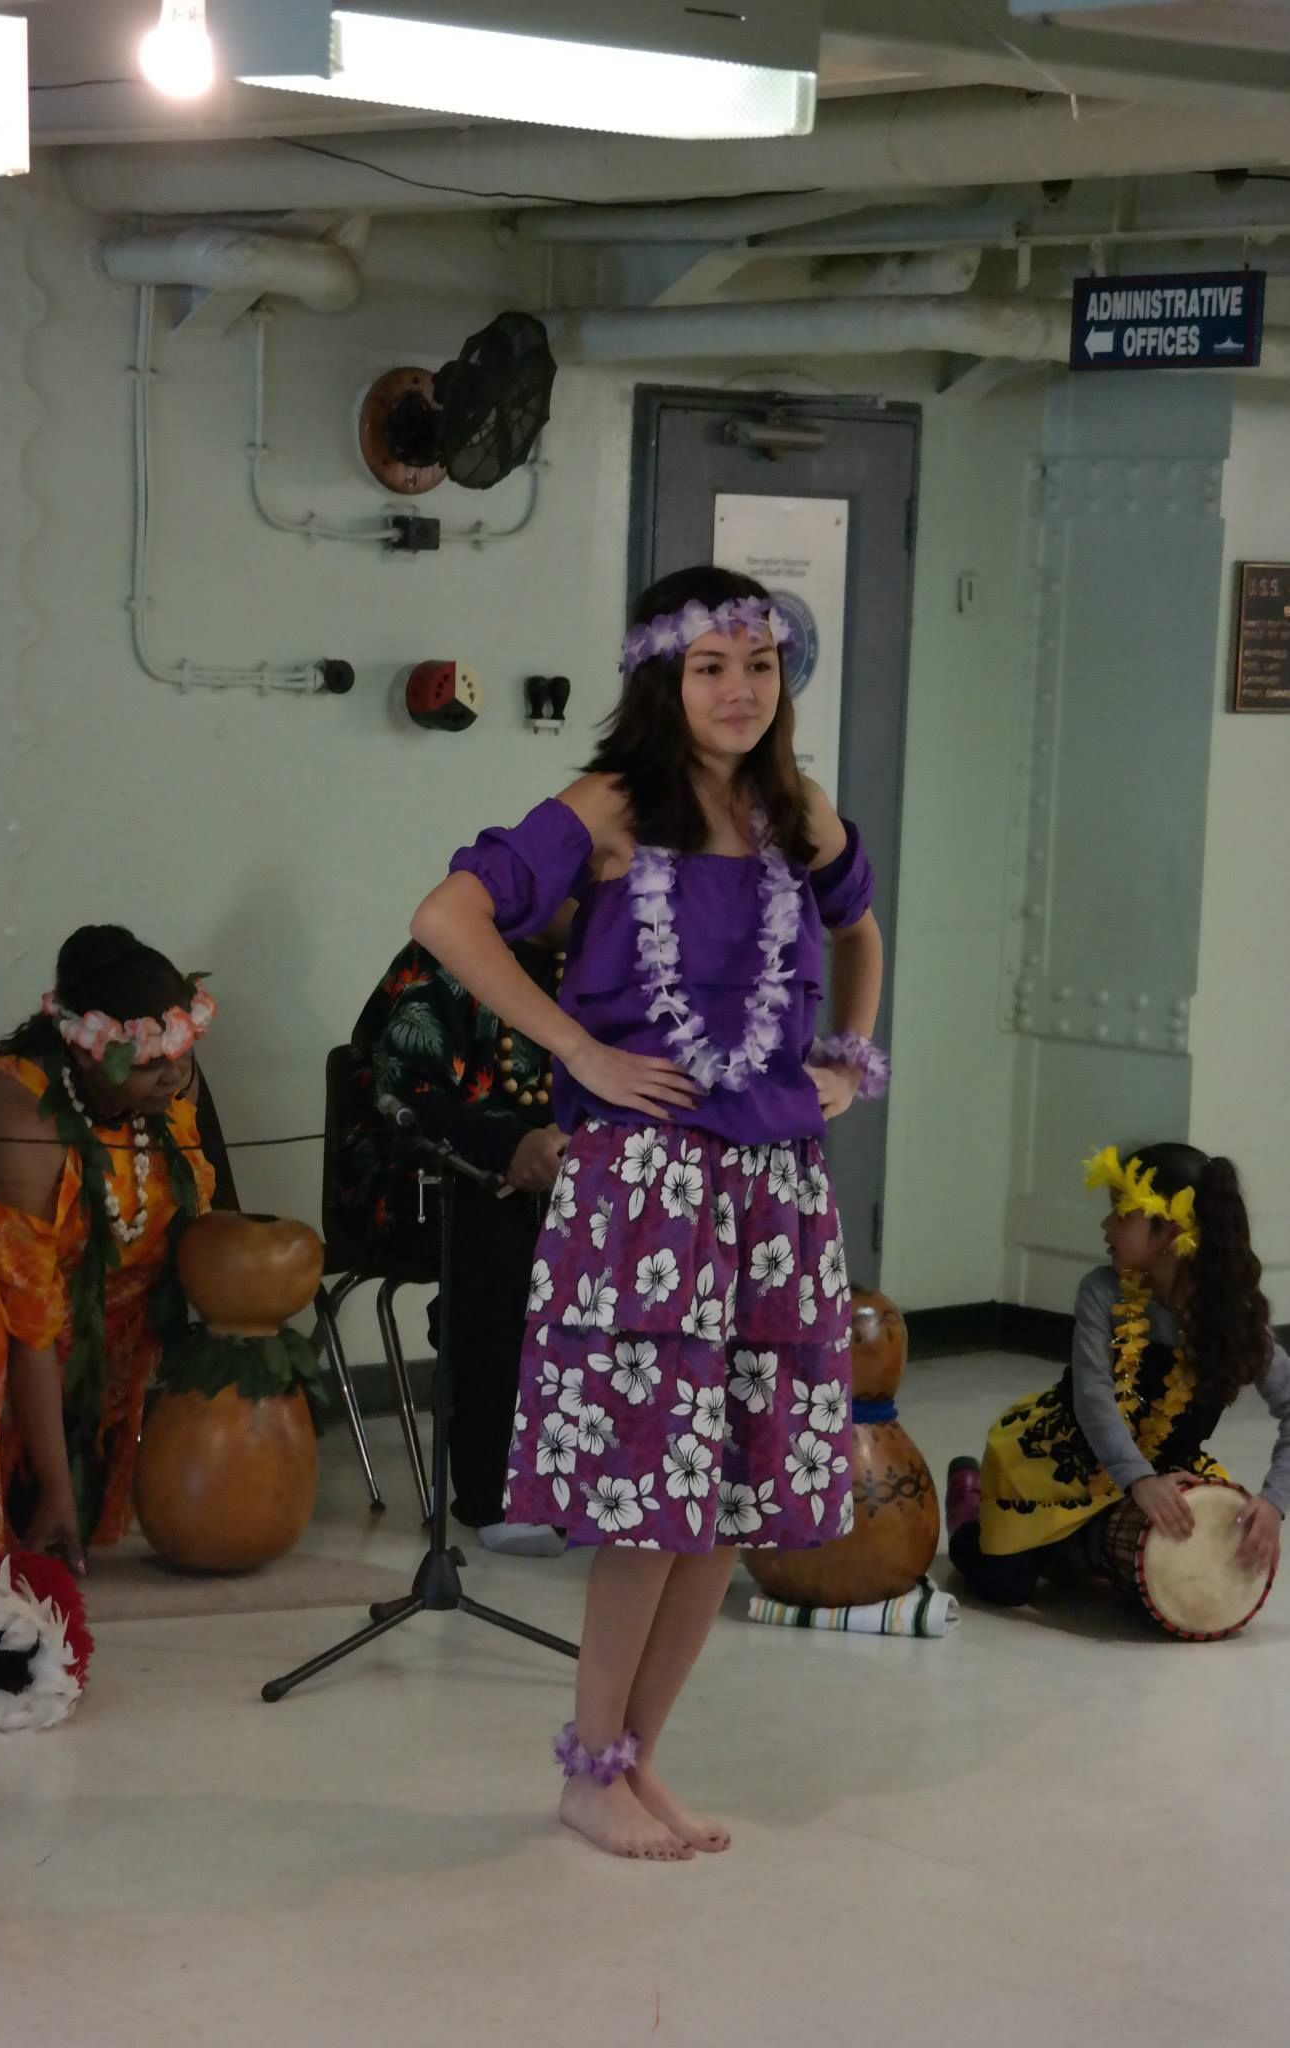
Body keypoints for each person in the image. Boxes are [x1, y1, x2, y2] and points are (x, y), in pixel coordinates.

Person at [411, 565, 886, 1861]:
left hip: (774, 1181)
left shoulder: (795, 814)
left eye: (758, 665)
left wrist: (850, 1055)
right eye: (708, 667)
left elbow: (858, 927)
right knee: (653, 1493)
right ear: (662, 680)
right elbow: (448, 917)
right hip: (651, 1185)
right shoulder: (610, 806)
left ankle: (633, 1765)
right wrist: (584, 1051)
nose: (737, 690)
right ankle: (583, 1766)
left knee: (727, 1496)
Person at [0, 926, 232, 1573]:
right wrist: (59, 1499)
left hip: (100, 1311)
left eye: (182, 1048)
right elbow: (34, 1321)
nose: (175, 1072)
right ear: (90, 1054)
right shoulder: (23, 1119)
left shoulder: (165, 1080)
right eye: (151, 1058)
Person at [947, 1143, 1290, 1609]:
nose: (1106, 1227)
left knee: (1193, 1582)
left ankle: (1079, 1547)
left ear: (1168, 1231)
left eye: (1120, 1214)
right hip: (1068, 1458)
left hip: (1166, 1465)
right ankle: (971, 1504)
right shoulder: (1102, 1292)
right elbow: (1094, 1399)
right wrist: (1137, 1480)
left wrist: (1273, 1503)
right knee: (1005, 1584)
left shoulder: (1234, 1316)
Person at [340, 927, 573, 1555]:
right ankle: (493, 1489)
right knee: (497, 1240)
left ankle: (597, 1483)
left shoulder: (604, 960)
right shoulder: (449, 958)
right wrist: (507, 1148)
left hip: (559, 1183)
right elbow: (402, 1098)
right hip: (422, 1181)